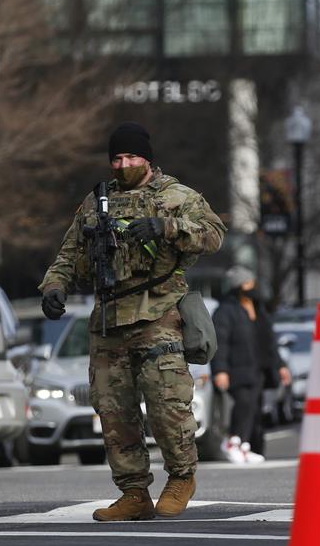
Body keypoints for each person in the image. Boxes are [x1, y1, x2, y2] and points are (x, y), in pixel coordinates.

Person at [39, 122, 225, 521]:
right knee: (112, 410)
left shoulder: (175, 196)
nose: (124, 165)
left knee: (166, 405)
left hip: (159, 313)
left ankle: (181, 478)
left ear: (147, 158)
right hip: (108, 321)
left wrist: (168, 227)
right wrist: (54, 286)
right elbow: (69, 253)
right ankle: (133, 491)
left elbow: (214, 234)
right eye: (117, 158)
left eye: (132, 157)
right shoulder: (96, 203)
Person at [210, 266, 290, 464]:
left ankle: (247, 446)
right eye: (247, 283)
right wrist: (220, 370)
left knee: (254, 409)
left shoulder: (259, 308)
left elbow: (269, 341)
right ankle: (232, 442)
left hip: (258, 368)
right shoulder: (225, 311)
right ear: (238, 286)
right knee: (243, 404)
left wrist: (280, 365)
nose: (252, 287)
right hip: (237, 368)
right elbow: (220, 342)